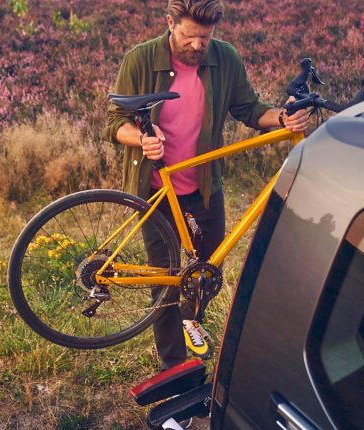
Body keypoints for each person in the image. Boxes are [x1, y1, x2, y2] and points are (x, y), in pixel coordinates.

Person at [102, 0, 310, 372]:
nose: (198, 46)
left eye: (206, 38)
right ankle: (174, 369)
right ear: (169, 23)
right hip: (156, 190)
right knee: (165, 280)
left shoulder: (225, 58)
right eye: (189, 36)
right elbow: (114, 124)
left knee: (207, 271)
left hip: (203, 186)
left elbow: (249, 109)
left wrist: (282, 118)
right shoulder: (140, 59)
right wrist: (140, 138)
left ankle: (190, 319)